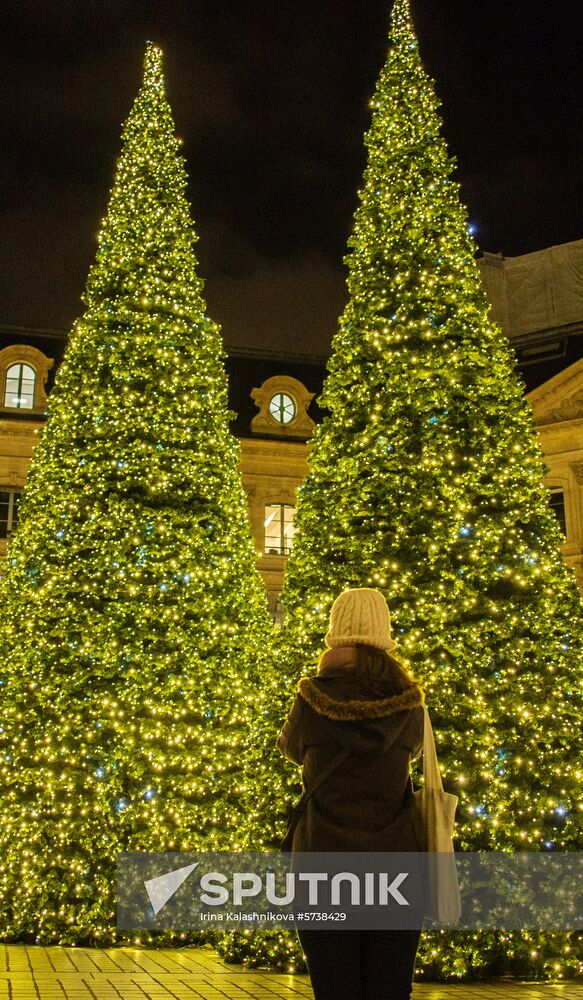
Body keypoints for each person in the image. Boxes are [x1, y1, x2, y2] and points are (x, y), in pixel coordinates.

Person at [278, 587, 426, 1000]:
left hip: (324, 862)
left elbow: (290, 748)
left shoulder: (311, 697)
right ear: (385, 635)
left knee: (334, 986)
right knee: (390, 986)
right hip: (395, 866)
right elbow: (413, 750)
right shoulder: (410, 702)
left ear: (335, 635)